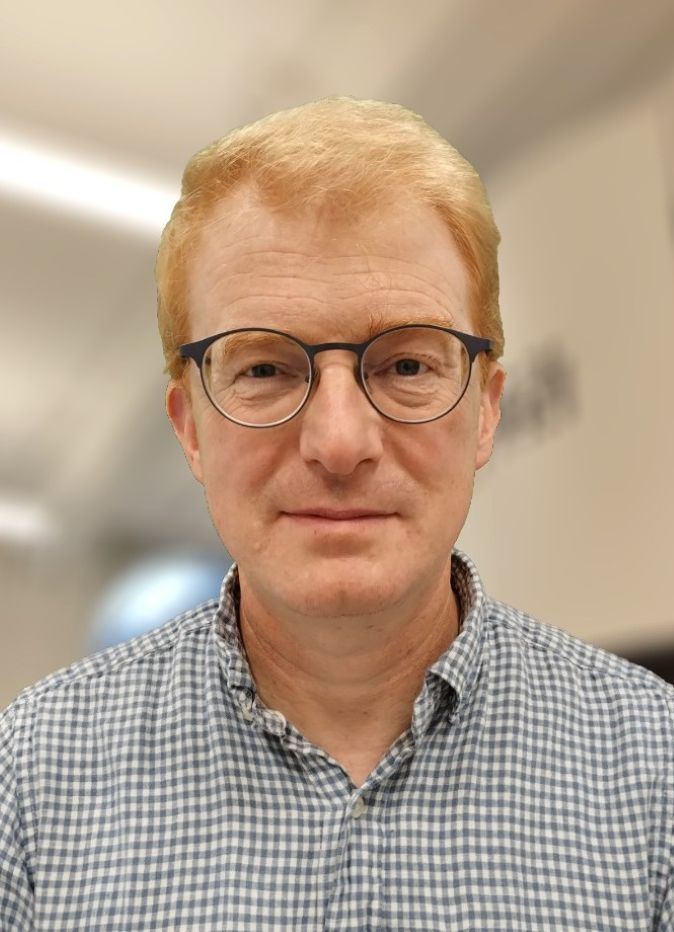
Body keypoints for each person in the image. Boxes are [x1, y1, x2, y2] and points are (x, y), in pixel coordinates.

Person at [1, 97, 672, 931]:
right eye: (265, 370)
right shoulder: (32, 779)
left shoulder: (655, 769)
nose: (340, 442)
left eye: (406, 365)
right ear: (191, 428)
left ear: (486, 412)